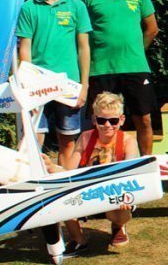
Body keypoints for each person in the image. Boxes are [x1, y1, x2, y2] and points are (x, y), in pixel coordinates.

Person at [78, 0, 159, 155]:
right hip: (101, 69)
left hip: (135, 66)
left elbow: (151, 28)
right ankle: (105, 169)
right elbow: (80, 36)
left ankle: (146, 165)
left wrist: (136, 51)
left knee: (143, 118)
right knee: (102, 123)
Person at [15, 0, 91, 167]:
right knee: (34, 139)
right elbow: (25, 49)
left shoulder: (76, 6)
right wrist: (27, 84)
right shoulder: (29, 8)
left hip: (69, 83)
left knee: (67, 141)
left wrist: (84, 85)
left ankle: (64, 187)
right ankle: (36, 186)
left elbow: (84, 48)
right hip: (37, 84)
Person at [43, 92, 140, 255]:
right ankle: (79, 240)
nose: (107, 125)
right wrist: (51, 167)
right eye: (102, 120)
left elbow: (130, 173)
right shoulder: (86, 137)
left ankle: (118, 226)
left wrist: (125, 193)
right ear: (94, 120)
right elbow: (70, 172)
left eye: (113, 121)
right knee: (63, 195)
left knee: (123, 206)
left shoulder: (128, 141)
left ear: (121, 120)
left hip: (115, 189)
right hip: (91, 190)